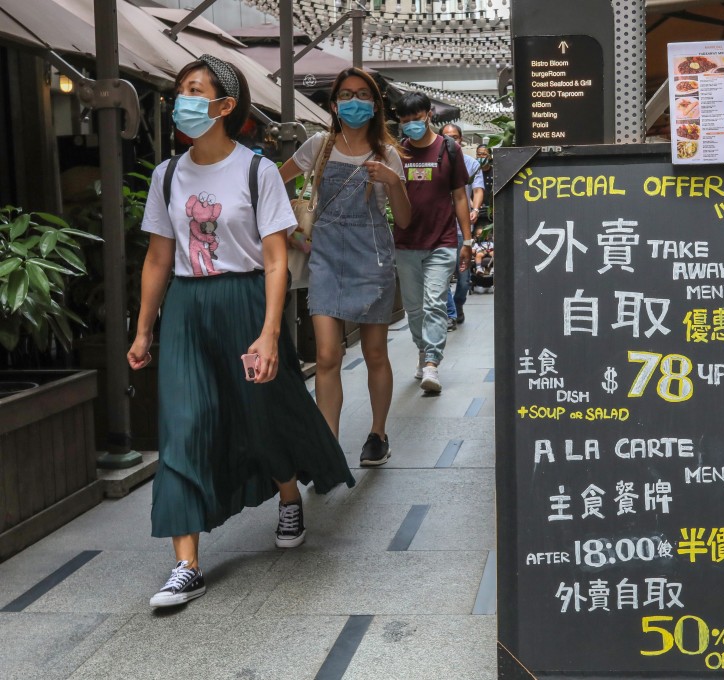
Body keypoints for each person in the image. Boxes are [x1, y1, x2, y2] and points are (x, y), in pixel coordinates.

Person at [127, 56, 355, 608]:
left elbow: (276, 260)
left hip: (245, 299)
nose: (184, 98)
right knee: (182, 424)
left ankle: (286, 492)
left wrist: (270, 332)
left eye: (196, 90)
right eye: (181, 89)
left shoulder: (256, 172)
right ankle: (186, 565)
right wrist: (143, 332)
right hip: (186, 306)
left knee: (260, 410)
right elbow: (158, 259)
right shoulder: (167, 175)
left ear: (225, 106)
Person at [279, 68, 410, 468]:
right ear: (334, 104)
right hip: (326, 257)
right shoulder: (319, 146)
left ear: (375, 104)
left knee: (374, 352)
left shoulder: (387, 153)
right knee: (327, 355)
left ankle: (378, 434)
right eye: (346, 95)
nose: (354, 102)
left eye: (363, 95)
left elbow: (403, 220)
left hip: (372, 258)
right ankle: (328, 446)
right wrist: (289, 229)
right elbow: (270, 184)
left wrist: (393, 182)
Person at [393, 92, 472, 394]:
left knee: (435, 303)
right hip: (405, 242)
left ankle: (432, 364)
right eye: (405, 120)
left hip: (442, 240)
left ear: (428, 114)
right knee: (414, 308)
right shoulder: (397, 153)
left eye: (416, 117)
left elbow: (459, 196)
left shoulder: (448, 149)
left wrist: (468, 239)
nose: (412, 124)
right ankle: (422, 350)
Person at [441, 123, 484, 329]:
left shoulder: (471, 163)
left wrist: (474, 210)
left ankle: (458, 305)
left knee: (464, 277)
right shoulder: (434, 161)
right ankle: (450, 312)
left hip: (461, 229)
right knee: (441, 274)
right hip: (439, 229)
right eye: (447, 136)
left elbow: (477, 190)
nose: (451, 140)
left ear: (461, 140)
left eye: (455, 137)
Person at [475, 144, 494, 228]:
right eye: (479, 154)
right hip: (475, 211)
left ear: (489, 157)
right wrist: (475, 207)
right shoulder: (473, 172)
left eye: (484, 154)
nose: (481, 157)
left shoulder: (495, 172)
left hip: (491, 212)